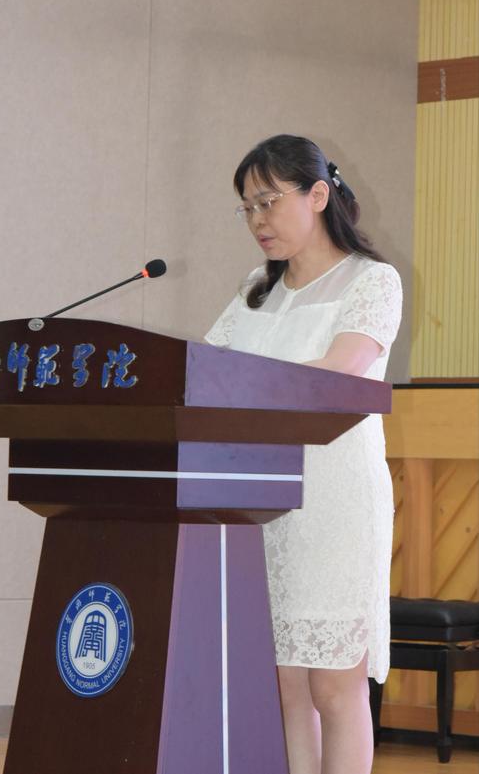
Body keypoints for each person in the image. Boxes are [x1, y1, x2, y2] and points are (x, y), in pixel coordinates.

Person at [205, 134, 403, 774]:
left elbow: (343, 371)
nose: (257, 220)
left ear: (318, 195)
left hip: (335, 498)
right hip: (262, 500)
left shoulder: (372, 281)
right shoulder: (255, 291)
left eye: (268, 201)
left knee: (334, 687)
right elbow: (206, 373)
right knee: (286, 684)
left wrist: (246, 384)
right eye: (247, 207)